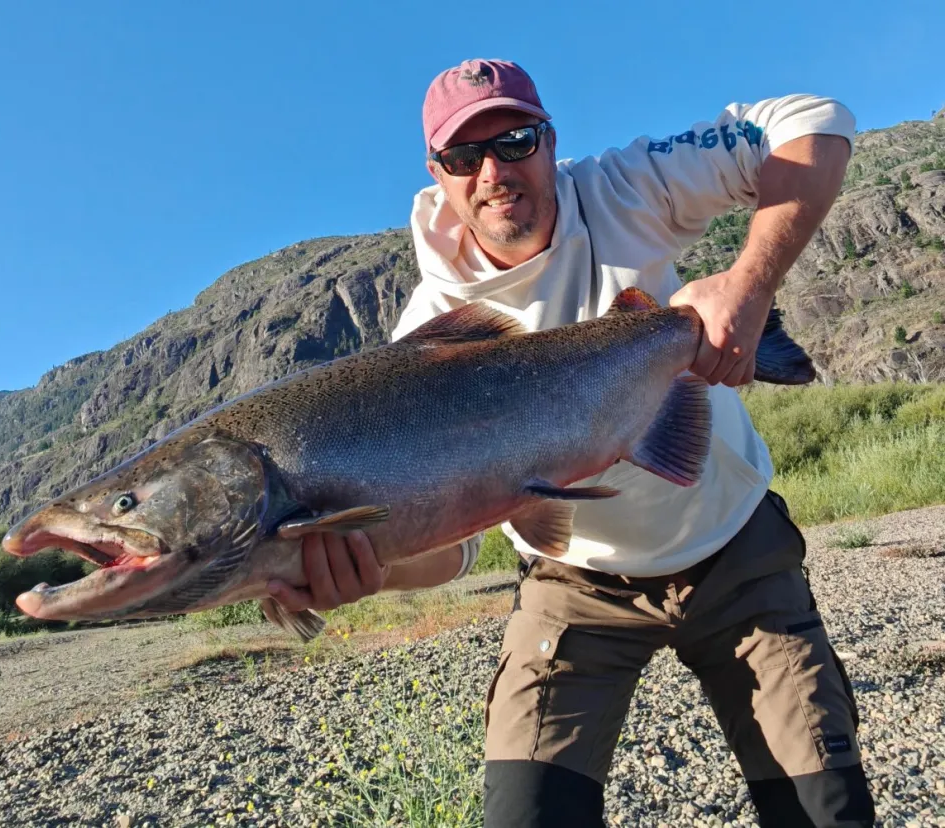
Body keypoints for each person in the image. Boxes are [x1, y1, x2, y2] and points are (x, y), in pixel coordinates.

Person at [268, 58, 876, 827]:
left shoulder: (624, 187)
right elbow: (456, 549)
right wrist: (371, 569)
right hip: (574, 585)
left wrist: (749, 285)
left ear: (551, 142)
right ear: (438, 173)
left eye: (516, 142)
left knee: (826, 813)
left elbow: (814, 120)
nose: (494, 173)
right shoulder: (424, 339)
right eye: (465, 156)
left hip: (734, 548)